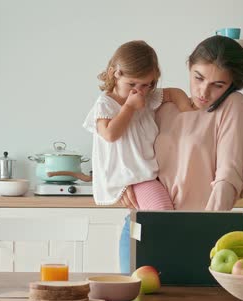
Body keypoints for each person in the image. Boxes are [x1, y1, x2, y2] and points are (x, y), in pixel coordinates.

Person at [118, 35, 243, 272]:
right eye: (198, 78)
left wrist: (205, 235)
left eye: (218, 85)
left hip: (198, 235)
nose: (203, 91)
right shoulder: (161, 104)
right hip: (141, 229)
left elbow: (228, 176)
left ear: (233, 85)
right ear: (189, 67)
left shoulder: (233, 106)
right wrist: (121, 183)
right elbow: (122, 146)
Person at [82, 40, 194, 210]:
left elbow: (174, 93)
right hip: (131, 178)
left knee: (140, 223)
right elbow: (109, 134)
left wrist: (189, 114)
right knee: (163, 213)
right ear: (115, 74)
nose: (139, 91)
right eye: (132, 84)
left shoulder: (146, 98)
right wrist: (129, 107)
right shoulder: (106, 103)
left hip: (146, 175)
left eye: (145, 85)